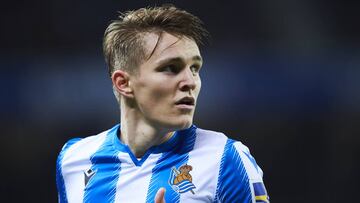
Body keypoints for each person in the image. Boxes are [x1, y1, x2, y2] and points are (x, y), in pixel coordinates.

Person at [56, 5, 269, 203]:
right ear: (124, 83)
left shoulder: (226, 160)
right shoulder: (74, 160)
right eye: (171, 68)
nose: (190, 82)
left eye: (194, 68)